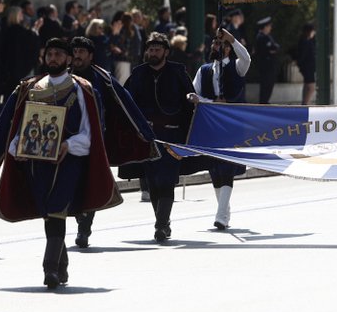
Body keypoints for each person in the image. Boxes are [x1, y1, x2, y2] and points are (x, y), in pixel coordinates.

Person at [0, 38, 119, 287]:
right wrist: (15, 149)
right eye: (49, 53)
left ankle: (49, 270)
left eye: (58, 54)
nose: (53, 58)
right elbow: (14, 125)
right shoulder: (29, 87)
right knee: (49, 214)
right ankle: (61, 266)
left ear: (67, 59)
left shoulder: (82, 89)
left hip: (68, 161)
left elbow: (89, 132)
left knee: (56, 209)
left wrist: (68, 145)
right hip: (37, 162)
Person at [69, 37, 158, 248]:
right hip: (67, 141)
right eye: (75, 51)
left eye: (82, 52)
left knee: (90, 182)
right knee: (70, 183)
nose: (77, 55)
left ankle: (85, 226)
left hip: (95, 141)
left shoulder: (102, 78)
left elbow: (125, 102)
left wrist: (144, 132)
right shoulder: (62, 77)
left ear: (90, 56)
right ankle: (79, 216)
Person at [123, 33, 198, 242]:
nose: (152, 53)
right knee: (153, 181)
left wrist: (192, 98)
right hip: (147, 137)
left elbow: (190, 97)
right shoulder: (138, 73)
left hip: (172, 134)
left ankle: (161, 225)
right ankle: (162, 222)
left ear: (166, 51)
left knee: (167, 180)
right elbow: (125, 100)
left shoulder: (177, 71)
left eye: (157, 49)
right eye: (150, 49)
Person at [188, 28, 251, 229]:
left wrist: (231, 39)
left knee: (226, 168)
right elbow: (194, 95)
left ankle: (221, 215)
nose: (215, 46)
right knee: (214, 169)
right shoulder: (204, 70)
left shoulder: (237, 66)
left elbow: (247, 58)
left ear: (227, 48)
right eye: (214, 43)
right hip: (211, 127)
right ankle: (224, 209)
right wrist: (195, 99)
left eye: (220, 44)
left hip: (231, 127)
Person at [254, 17, 281, 104]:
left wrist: (273, 49)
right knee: (266, 85)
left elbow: (276, 47)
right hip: (265, 66)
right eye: (269, 26)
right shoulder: (261, 37)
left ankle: (265, 101)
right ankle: (263, 102)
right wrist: (271, 50)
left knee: (269, 85)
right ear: (265, 27)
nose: (270, 28)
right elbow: (267, 50)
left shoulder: (268, 36)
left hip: (270, 66)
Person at [295, 22, 317, 105]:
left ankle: (304, 103)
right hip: (307, 68)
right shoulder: (305, 42)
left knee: (307, 86)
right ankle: (306, 103)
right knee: (311, 87)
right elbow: (303, 56)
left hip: (308, 68)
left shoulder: (308, 41)